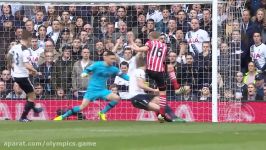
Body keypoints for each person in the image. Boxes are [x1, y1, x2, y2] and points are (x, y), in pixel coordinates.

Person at [54, 51, 129, 121]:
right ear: (106, 58)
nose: (113, 60)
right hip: (92, 90)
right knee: (82, 107)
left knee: (117, 98)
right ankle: (62, 116)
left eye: (114, 59)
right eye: (111, 59)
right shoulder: (97, 64)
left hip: (102, 90)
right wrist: (84, 73)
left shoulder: (114, 69)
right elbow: (87, 70)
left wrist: (133, 80)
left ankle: (102, 113)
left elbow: (124, 76)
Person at [130, 31, 182, 121]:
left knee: (159, 98)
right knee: (161, 94)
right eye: (161, 39)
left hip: (152, 71)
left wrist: (131, 42)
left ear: (150, 37)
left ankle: (166, 117)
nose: (162, 40)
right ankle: (176, 86)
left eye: (163, 39)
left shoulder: (150, 43)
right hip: (156, 73)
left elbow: (139, 50)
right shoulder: (165, 46)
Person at [129, 53, 185, 122]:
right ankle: (166, 118)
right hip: (136, 97)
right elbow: (141, 85)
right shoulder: (139, 71)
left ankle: (174, 117)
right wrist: (154, 89)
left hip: (143, 95)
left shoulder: (140, 71)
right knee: (160, 108)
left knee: (161, 102)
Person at [6, 30, 42, 122]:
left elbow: (8, 56)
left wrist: (11, 67)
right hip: (22, 76)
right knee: (32, 96)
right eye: (30, 40)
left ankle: (34, 109)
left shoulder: (15, 46)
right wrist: (35, 71)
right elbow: (26, 65)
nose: (31, 42)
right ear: (27, 39)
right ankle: (23, 117)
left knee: (30, 93)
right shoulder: (25, 50)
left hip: (16, 75)